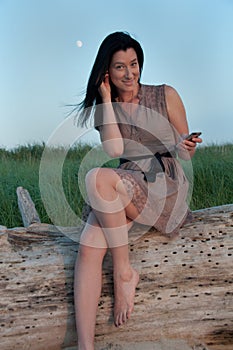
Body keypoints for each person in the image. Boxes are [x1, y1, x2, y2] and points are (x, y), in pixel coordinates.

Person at [74, 31, 202, 350]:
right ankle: (85, 346)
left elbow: (186, 153)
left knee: (96, 179)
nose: (130, 73)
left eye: (134, 64)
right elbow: (115, 147)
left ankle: (124, 272)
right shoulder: (108, 108)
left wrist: (186, 145)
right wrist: (105, 99)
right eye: (120, 67)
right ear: (107, 72)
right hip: (127, 183)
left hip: (163, 184)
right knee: (89, 246)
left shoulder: (165, 94)